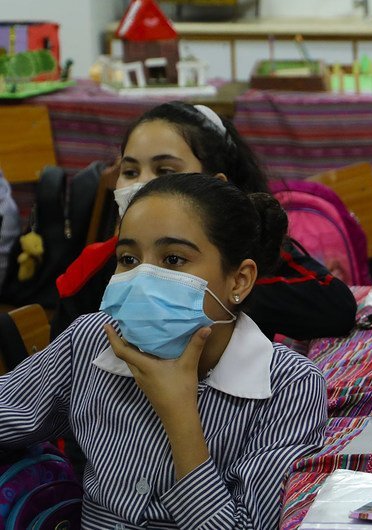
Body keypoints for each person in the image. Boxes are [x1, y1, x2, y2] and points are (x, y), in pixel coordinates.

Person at [0, 174, 327, 528]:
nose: (142, 279)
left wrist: (180, 415)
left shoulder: (289, 386)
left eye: (172, 259)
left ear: (238, 280)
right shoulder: (92, 340)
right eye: (128, 259)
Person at [54, 101, 358, 340]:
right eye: (130, 172)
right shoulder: (91, 271)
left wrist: (221, 290)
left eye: (165, 172)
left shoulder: (244, 253)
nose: (142, 186)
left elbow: (336, 307)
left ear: (216, 185)